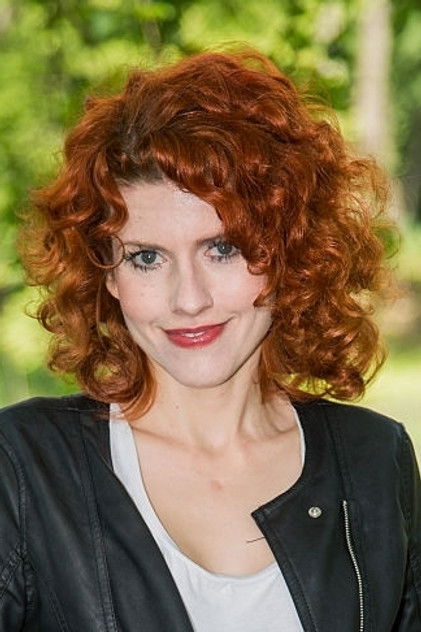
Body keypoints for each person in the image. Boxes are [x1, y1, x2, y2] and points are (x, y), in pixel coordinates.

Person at [0, 48, 420, 632]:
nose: (188, 299)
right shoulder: (23, 468)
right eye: (147, 258)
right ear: (108, 276)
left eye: (222, 248)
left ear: (287, 252)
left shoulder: (374, 459)